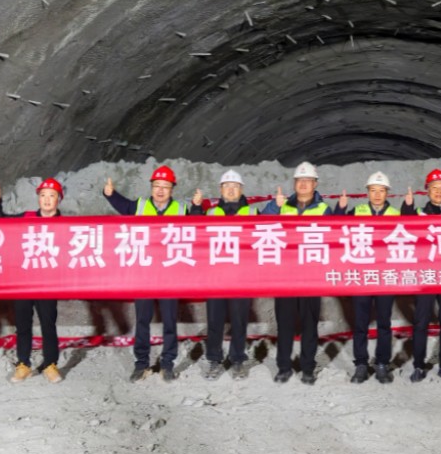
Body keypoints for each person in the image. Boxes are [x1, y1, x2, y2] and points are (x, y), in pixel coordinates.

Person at [104, 165, 186, 382]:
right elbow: (122, 205)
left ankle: (167, 364)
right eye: (157, 185)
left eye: (165, 186)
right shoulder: (139, 206)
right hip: (144, 276)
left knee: (170, 322)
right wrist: (110, 194)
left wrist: (197, 208)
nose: (160, 190)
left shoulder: (181, 209)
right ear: (151, 187)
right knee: (142, 321)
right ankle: (141, 364)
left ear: (172, 189)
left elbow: (201, 227)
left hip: (170, 276)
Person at [260, 162, 336, 385]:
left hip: (311, 277)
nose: (303, 184)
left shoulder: (324, 210)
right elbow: (260, 227)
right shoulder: (282, 206)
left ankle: (307, 368)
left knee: (309, 325)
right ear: (294, 183)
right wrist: (274, 207)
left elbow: (333, 238)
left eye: (308, 180)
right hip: (285, 276)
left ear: (315, 184)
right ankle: (284, 367)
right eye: (299, 180)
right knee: (284, 324)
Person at [0, 178, 65, 384]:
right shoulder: (26, 218)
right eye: (43, 195)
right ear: (38, 198)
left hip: (48, 284)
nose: (47, 200)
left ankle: (50, 364)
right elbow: (0, 221)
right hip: (24, 282)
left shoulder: (67, 225)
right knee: (23, 325)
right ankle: (23, 364)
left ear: (59, 199)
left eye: (52, 196)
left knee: (48, 324)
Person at [403, 169, 441, 382]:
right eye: (434, 188)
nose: (438, 191)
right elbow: (404, 225)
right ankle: (419, 365)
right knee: (421, 322)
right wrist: (407, 207)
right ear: (427, 191)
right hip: (425, 276)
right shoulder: (419, 214)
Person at [343, 171, 401, 384]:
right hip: (362, 277)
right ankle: (361, 363)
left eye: (381, 190)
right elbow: (336, 227)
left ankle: (382, 363)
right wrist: (340, 209)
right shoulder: (356, 212)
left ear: (387, 193)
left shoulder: (396, 214)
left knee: (384, 322)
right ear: (367, 192)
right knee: (360, 323)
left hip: (386, 276)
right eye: (373, 190)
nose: (377, 194)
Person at [199, 170, 253, 381]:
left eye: (235, 186)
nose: (231, 190)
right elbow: (196, 233)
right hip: (216, 277)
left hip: (242, 277)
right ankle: (214, 359)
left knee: (239, 321)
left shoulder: (253, 213)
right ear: (220, 190)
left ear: (241, 190)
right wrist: (195, 208)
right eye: (227, 186)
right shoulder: (211, 213)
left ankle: (237, 359)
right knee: (215, 321)